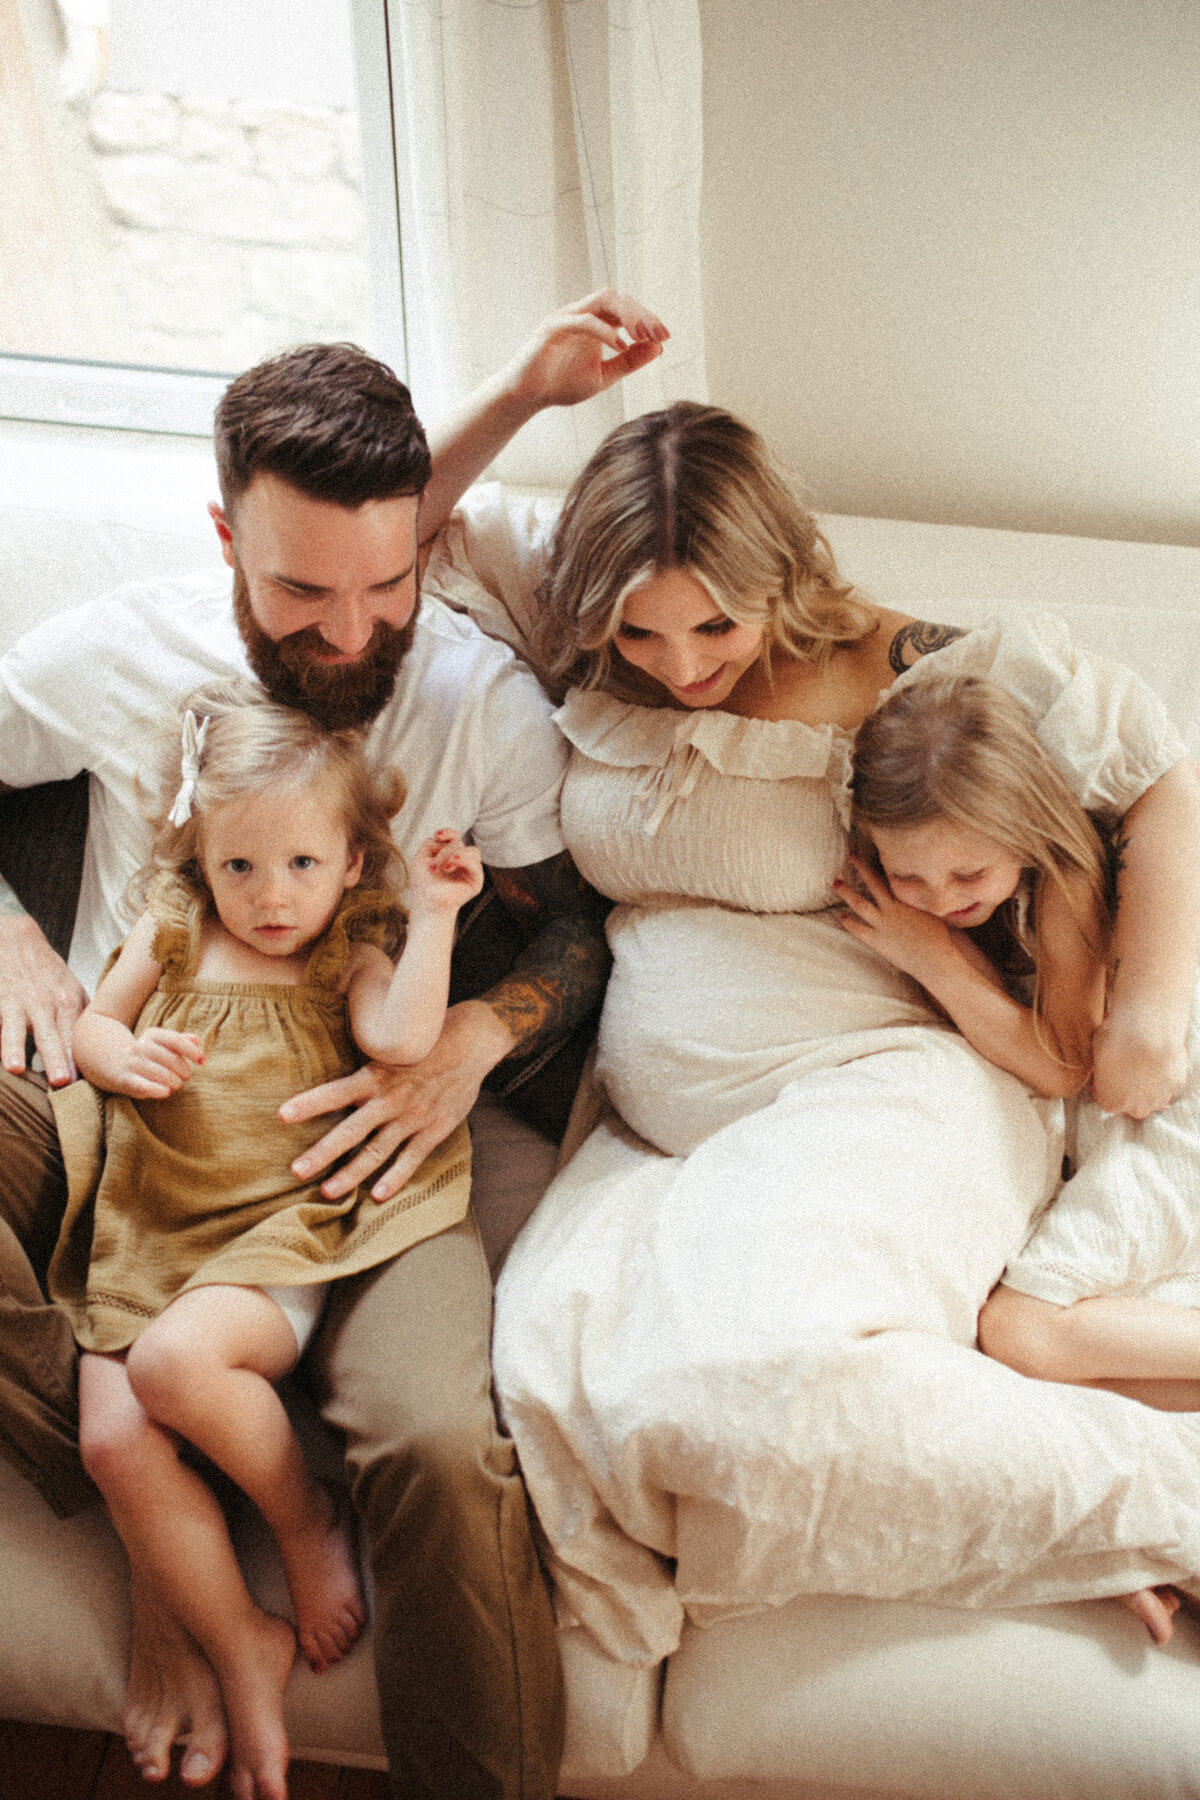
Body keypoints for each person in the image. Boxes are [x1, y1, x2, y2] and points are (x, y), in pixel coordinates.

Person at [0, 290, 667, 1797]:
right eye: (306, 593)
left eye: (389, 589)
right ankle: (170, 1554)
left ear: (419, 545)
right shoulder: (119, 654)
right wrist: (16, 936)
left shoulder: (473, 702)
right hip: (131, 1121)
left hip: (362, 1152)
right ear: (227, 536)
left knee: (440, 1446)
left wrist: (474, 1041)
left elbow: (575, 928)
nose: (354, 633)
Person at [481, 400, 1200, 1673]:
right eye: (638, 628)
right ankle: (1082, 1505)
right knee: (562, 1402)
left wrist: (1146, 1012)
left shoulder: (908, 665)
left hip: (887, 1082)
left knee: (741, 1390)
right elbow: (390, 531)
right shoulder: (591, 640)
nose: (681, 662)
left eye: (716, 622)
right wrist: (529, 386)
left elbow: (1159, 768)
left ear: (782, 572)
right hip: (661, 1141)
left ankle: (1165, 1505)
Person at [54, 681, 486, 1800]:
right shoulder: (176, 923)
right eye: (240, 866)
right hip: (152, 1227)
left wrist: (434, 916)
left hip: (273, 1239)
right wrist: (118, 1057)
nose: (270, 896)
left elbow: (400, 1037)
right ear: (202, 858)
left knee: (175, 1366)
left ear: (351, 864)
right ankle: (243, 1641)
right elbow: (99, 1018)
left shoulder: (350, 945)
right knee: (111, 1443)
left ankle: (306, 1518)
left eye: (301, 864)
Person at [840, 670, 1200, 1646]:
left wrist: (930, 957)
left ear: (1024, 831)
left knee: (1023, 1332)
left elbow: (1067, 1058)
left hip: (1171, 1118)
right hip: (1143, 1131)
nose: (939, 898)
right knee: (1053, 1360)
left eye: (968, 877)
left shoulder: (1064, 874)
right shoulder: (953, 872)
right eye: (909, 877)